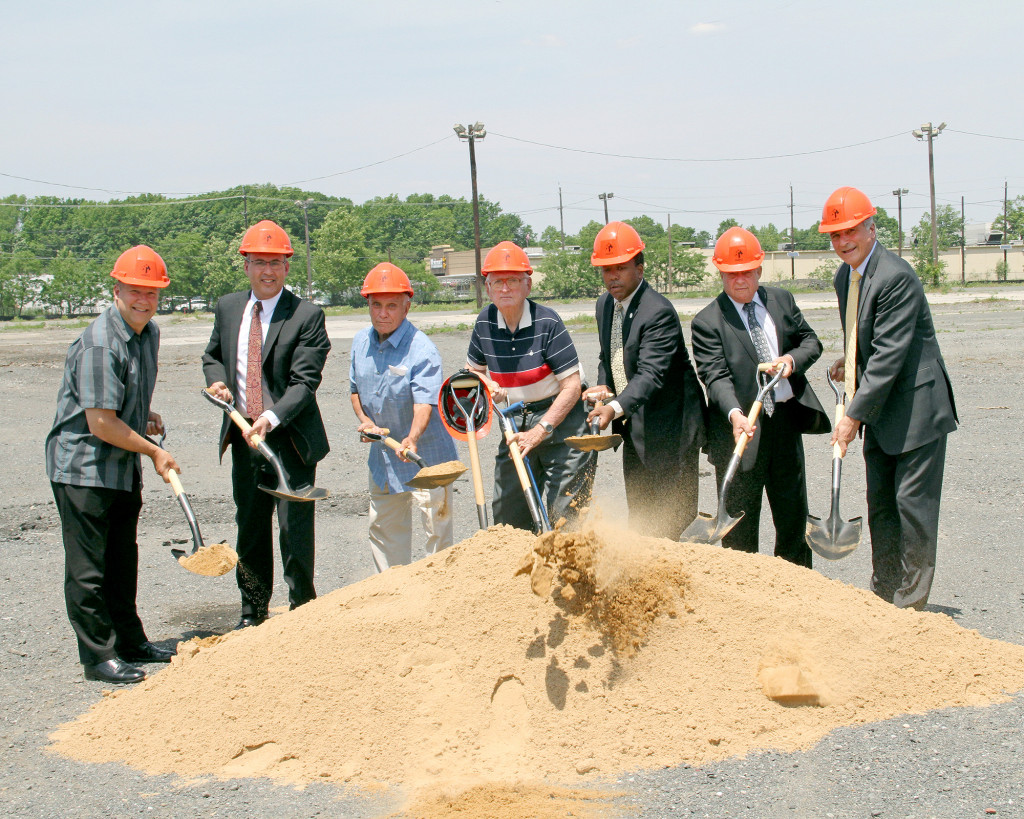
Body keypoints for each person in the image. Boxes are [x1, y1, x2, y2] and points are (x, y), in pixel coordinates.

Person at [46, 246, 181, 684]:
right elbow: (101, 423)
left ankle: (129, 640)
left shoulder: (148, 333)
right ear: (117, 288)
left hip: (120, 466)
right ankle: (97, 656)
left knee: (123, 558)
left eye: (153, 292)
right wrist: (154, 450)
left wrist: (143, 416)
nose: (144, 300)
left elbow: (118, 404)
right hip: (83, 466)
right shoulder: (100, 344)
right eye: (136, 291)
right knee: (89, 568)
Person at [820, 187, 957, 609]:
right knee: (880, 506)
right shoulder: (847, 275)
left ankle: (911, 604)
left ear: (871, 227)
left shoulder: (895, 275)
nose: (843, 242)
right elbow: (868, 336)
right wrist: (851, 358)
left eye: (850, 232)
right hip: (881, 409)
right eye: (834, 235)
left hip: (916, 409)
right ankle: (884, 594)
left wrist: (852, 416)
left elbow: (891, 354)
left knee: (912, 507)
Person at [203, 220, 331, 628]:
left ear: (287, 267)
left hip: (289, 440)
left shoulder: (307, 316)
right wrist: (216, 380)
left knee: (294, 530)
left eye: (276, 262)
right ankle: (252, 612)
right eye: (259, 262)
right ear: (246, 265)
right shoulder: (227, 308)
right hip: (244, 438)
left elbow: (304, 382)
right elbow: (212, 355)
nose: (268, 271)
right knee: (251, 529)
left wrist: (270, 418)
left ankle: (302, 611)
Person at [690, 227, 830, 566]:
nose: (740, 280)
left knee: (793, 516)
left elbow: (811, 342)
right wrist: (736, 413)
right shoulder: (707, 322)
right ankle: (745, 593)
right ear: (721, 273)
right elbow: (715, 376)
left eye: (747, 272)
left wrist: (791, 361)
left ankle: (797, 588)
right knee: (740, 523)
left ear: (760, 270)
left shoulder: (781, 301)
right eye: (732, 274)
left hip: (784, 424)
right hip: (741, 430)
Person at [585, 221, 706, 539]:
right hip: (634, 422)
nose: (612, 276)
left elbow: (651, 375)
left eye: (621, 268)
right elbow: (608, 356)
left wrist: (613, 409)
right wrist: (604, 389)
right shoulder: (605, 305)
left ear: (640, 267)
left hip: (672, 429)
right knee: (640, 515)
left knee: (672, 521)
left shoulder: (658, 312)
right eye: (606, 269)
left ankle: (679, 584)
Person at [466, 241, 590, 530]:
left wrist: (541, 430)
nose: (505, 288)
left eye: (513, 281)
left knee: (565, 513)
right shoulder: (484, 322)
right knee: (508, 514)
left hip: (561, 421)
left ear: (528, 285)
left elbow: (572, 386)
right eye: (498, 281)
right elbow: (473, 372)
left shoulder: (547, 322)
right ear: (488, 288)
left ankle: (569, 569)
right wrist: (487, 384)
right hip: (514, 423)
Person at [350, 263, 457, 572]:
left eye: (392, 305)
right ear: (368, 304)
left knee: (436, 531)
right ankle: (393, 593)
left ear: (407, 306)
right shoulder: (360, 343)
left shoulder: (422, 348)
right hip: (384, 455)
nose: (383, 313)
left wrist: (411, 438)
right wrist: (365, 420)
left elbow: (425, 403)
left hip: (426, 455)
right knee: (384, 529)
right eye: (376, 304)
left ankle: (437, 596)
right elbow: (355, 390)